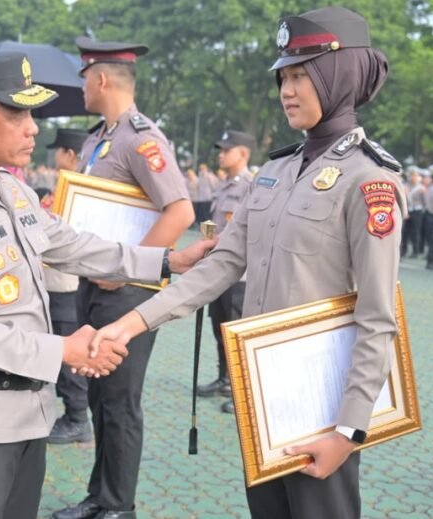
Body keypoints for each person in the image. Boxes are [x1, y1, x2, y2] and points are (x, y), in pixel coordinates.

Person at [89, 7, 406, 519]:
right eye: (284, 76)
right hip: (259, 391)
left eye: (303, 75)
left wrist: (348, 430)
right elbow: (221, 265)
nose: (287, 89)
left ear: (338, 75)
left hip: (320, 402)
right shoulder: (275, 170)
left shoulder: (371, 181)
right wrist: (131, 322)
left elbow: (376, 317)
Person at [0, 52, 211, 519]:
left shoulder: (10, 189)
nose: (32, 127)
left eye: (30, 114)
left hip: (25, 414)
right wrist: (63, 351)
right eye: (16, 113)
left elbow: (72, 244)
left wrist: (167, 258)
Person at [52, 36, 195, 519]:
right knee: (98, 395)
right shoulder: (99, 137)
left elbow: (179, 211)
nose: (83, 88)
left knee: (120, 401)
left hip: (129, 292)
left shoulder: (142, 138)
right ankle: (100, 496)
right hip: (96, 285)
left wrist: (129, 264)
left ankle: (118, 506)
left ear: (101, 78)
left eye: (84, 78)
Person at [195, 131, 255, 414]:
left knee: (236, 331)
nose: (220, 154)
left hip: (239, 273)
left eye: (226, 150)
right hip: (218, 269)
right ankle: (224, 378)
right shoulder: (223, 185)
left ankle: (242, 389)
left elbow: (250, 230)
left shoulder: (251, 186)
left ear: (242, 154)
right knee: (219, 328)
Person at [45, 128, 96, 444]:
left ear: (70, 155)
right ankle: (72, 412)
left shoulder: (79, 190)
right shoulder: (64, 186)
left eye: (58, 151)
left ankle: (78, 417)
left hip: (66, 282)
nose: (54, 157)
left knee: (68, 354)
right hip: (55, 280)